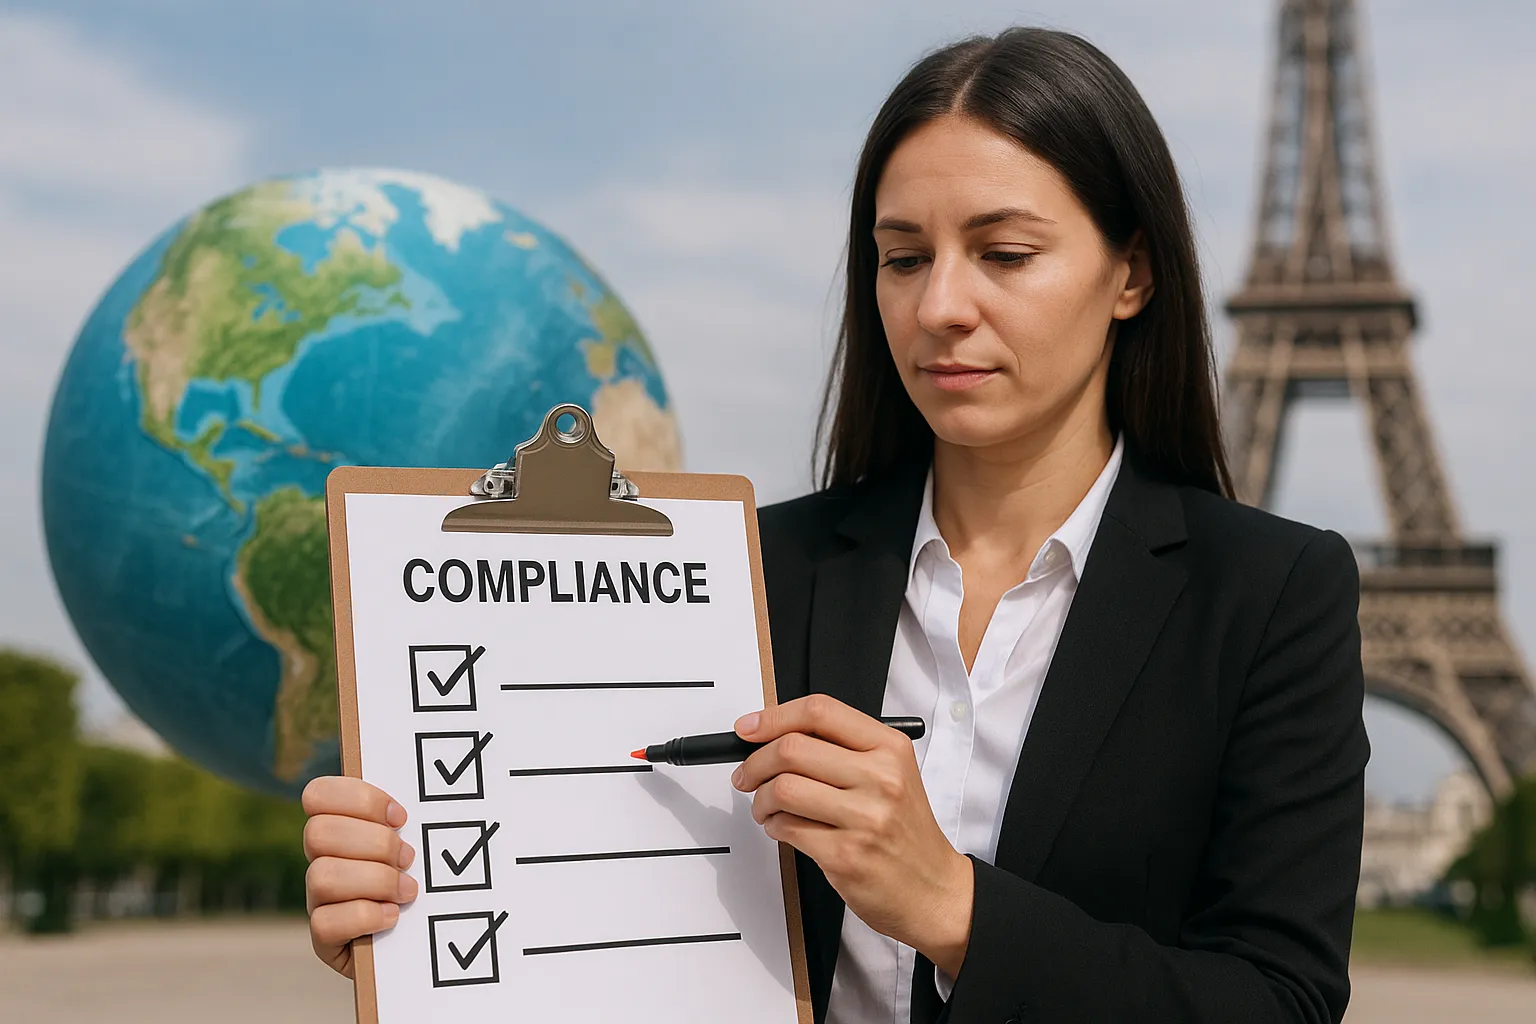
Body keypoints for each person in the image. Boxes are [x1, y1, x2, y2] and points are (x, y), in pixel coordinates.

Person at [301, 26, 1369, 1024]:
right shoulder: (749, 570)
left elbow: (1279, 1000)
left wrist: (953, 908)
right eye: (903, 257)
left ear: (1130, 272)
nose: (940, 305)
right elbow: (608, 901)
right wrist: (415, 911)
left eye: (1004, 253)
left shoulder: (1272, 597)